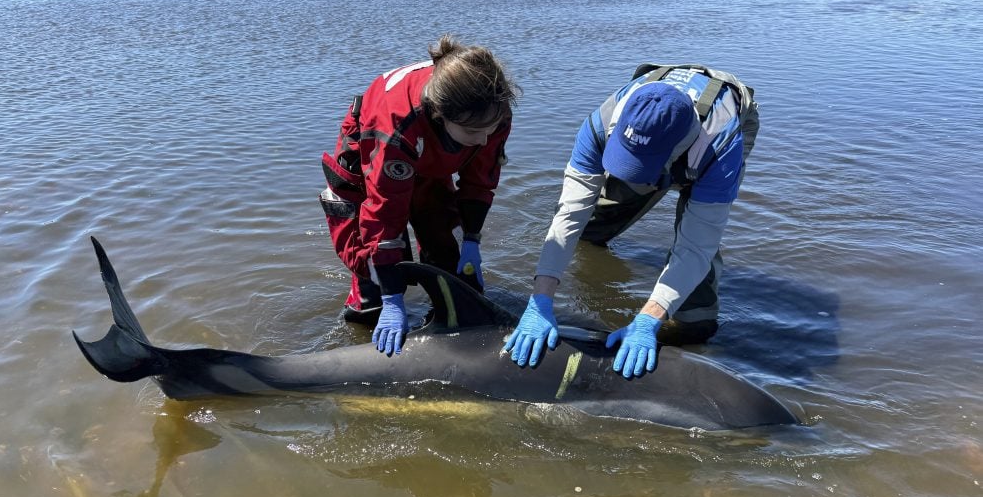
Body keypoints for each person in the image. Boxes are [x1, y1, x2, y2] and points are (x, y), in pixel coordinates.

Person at [504, 63, 759, 379]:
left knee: (695, 313)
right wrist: (540, 300)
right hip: (650, 136)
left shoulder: (721, 149)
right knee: (590, 228)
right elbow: (569, 215)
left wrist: (649, 318)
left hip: (713, 137)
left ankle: (691, 321)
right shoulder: (601, 123)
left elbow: (696, 247)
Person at [319, 35, 518, 356]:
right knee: (372, 281)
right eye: (473, 133)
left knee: (455, 268)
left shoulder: (489, 111)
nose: (484, 140)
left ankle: (439, 321)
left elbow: (480, 179)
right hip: (375, 150)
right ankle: (372, 305)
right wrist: (393, 299)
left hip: (431, 149)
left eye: (491, 130)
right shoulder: (397, 128)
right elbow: (383, 212)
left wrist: (472, 238)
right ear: (441, 115)